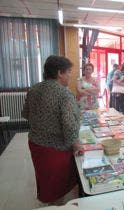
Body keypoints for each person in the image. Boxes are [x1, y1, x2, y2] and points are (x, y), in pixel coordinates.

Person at [22, 55, 83, 205]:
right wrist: (76, 144)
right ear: (59, 73)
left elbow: (25, 114)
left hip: (36, 143)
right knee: (58, 183)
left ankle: (52, 203)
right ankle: (57, 206)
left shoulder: (34, 89)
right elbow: (70, 127)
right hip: (55, 148)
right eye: (68, 72)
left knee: (46, 178)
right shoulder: (64, 94)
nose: (70, 75)